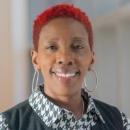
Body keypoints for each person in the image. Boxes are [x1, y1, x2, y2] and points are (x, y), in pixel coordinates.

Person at [0, 3, 130, 130]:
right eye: (52, 47)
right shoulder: (7, 125)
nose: (65, 58)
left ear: (91, 59)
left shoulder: (120, 122)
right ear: (35, 60)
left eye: (77, 46)